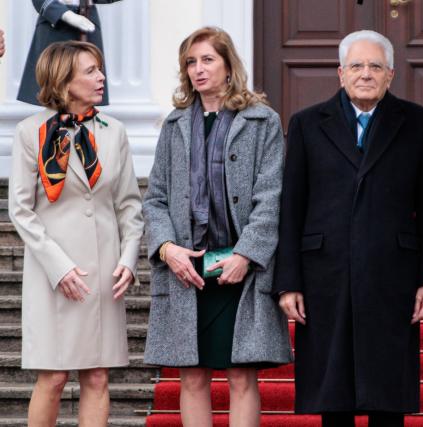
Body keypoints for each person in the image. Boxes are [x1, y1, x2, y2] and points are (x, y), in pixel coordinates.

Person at [274, 30, 423, 427]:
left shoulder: (418, 123)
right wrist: (289, 282)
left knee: (387, 394)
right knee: (334, 395)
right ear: (340, 73)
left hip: (393, 275)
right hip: (325, 274)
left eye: (374, 66)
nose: (365, 73)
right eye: (356, 65)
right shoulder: (306, 124)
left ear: (390, 74)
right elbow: (291, 207)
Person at [142, 27, 292, 427]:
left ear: (229, 66)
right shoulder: (174, 125)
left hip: (238, 268)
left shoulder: (262, 122)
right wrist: (166, 248)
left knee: (241, 374)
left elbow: (271, 197)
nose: (198, 69)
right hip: (187, 268)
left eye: (207, 59)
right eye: (191, 62)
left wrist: (247, 254)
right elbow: (155, 198)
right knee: (192, 375)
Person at [8, 41, 143, 426]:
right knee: (52, 376)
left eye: (100, 69)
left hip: (103, 274)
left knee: (98, 375)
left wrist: (129, 260)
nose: (101, 77)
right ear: (63, 79)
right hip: (54, 274)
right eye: (90, 71)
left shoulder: (114, 132)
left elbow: (129, 205)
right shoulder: (29, 132)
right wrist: (59, 267)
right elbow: (20, 209)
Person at [18, 0, 121, 105]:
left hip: (86, 18)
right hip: (56, 24)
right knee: (53, 91)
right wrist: (65, 14)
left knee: (89, 87)